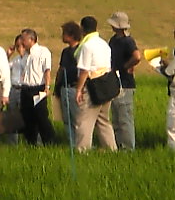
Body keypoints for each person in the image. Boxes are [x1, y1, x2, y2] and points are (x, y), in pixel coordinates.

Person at [73, 16, 117, 153]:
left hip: (92, 86)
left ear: (82, 29)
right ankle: (111, 149)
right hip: (106, 84)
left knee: (84, 120)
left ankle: (82, 150)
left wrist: (79, 90)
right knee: (103, 120)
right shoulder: (104, 43)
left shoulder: (87, 45)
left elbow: (84, 70)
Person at [12, 29, 56, 146]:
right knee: (27, 116)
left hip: (38, 88)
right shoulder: (25, 54)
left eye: (24, 39)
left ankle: (49, 141)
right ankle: (30, 141)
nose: (22, 41)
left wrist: (47, 86)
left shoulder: (43, 51)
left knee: (41, 116)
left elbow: (47, 70)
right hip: (25, 88)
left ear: (31, 39)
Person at [106, 11, 142, 150]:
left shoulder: (128, 41)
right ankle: (118, 144)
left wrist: (126, 66)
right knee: (116, 117)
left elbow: (137, 56)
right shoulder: (114, 39)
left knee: (124, 118)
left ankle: (128, 147)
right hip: (115, 82)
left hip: (125, 84)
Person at [52, 21, 82, 142]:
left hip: (75, 88)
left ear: (71, 35)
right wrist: (57, 87)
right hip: (64, 87)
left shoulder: (80, 50)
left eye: (64, 33)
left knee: (77, 118)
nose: (62, 36)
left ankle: (81, 143)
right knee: (67, 118)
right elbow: (61, 69)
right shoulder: (65, 52)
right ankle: (72, 142)